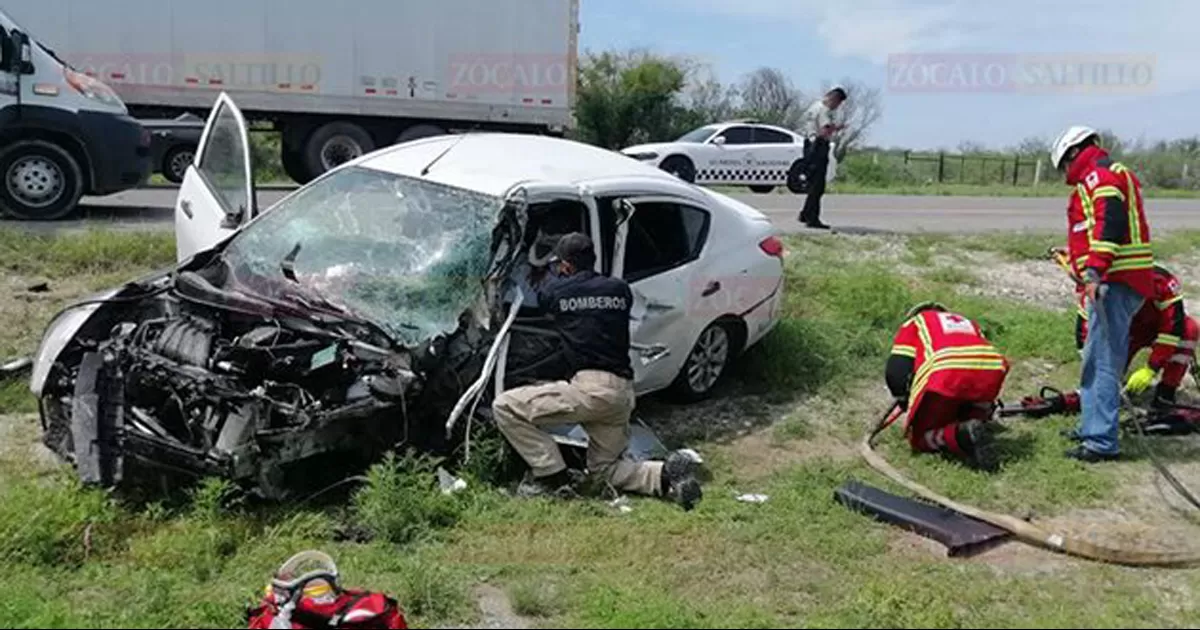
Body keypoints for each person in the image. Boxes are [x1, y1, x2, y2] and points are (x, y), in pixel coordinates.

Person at [491, 232, 703, 510]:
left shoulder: (557, 291)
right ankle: (665, 474)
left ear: (565, 265)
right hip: (621, 395)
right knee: (604, 469)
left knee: (506, 406)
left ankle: (551, 476)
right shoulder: (619, 289)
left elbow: (543, 295)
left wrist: (543, 268)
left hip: (589, 390)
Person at [1051, 125, 1156, 462]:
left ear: (1072, 154)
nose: (1065, 174)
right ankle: (1091, 427)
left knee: (1104, 363)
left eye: (1063, 167)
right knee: (1094, 360)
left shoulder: (1100, 176)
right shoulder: (1099, 177)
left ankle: (1100, 441)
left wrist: (1094, 270)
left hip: (1115, 282)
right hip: (1113, 281)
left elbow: (1109, 223)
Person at [1043, 263, 1198, 427]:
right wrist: (1096, 365)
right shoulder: (1095, 288)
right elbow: (1084, 333)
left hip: (1156, 326)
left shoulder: (1161, 281)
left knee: (1189, 329)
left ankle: (1165, 394)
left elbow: (1173, 324)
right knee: (1104, 385)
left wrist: (1151, 368)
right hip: (1123, 334)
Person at [885, 302, 1010, 471]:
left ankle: (961, 434)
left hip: (948, 369)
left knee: (921, 439)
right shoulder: (967, 323)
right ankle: (976, 426)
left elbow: (897, 368)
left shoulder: (916, 322)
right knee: (971, 410)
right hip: (991, 368)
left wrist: (902, 396)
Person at [797, 85, 847, 230]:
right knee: (817, 185)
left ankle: (805, 213)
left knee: (812, 181)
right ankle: (812, 218)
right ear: (833, 98)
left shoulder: (814, 107)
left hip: (808, 143)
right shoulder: (825, 110)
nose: (837, 106)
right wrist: (836, 128)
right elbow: (825, 131)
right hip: (819, 145)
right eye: (838, 103)